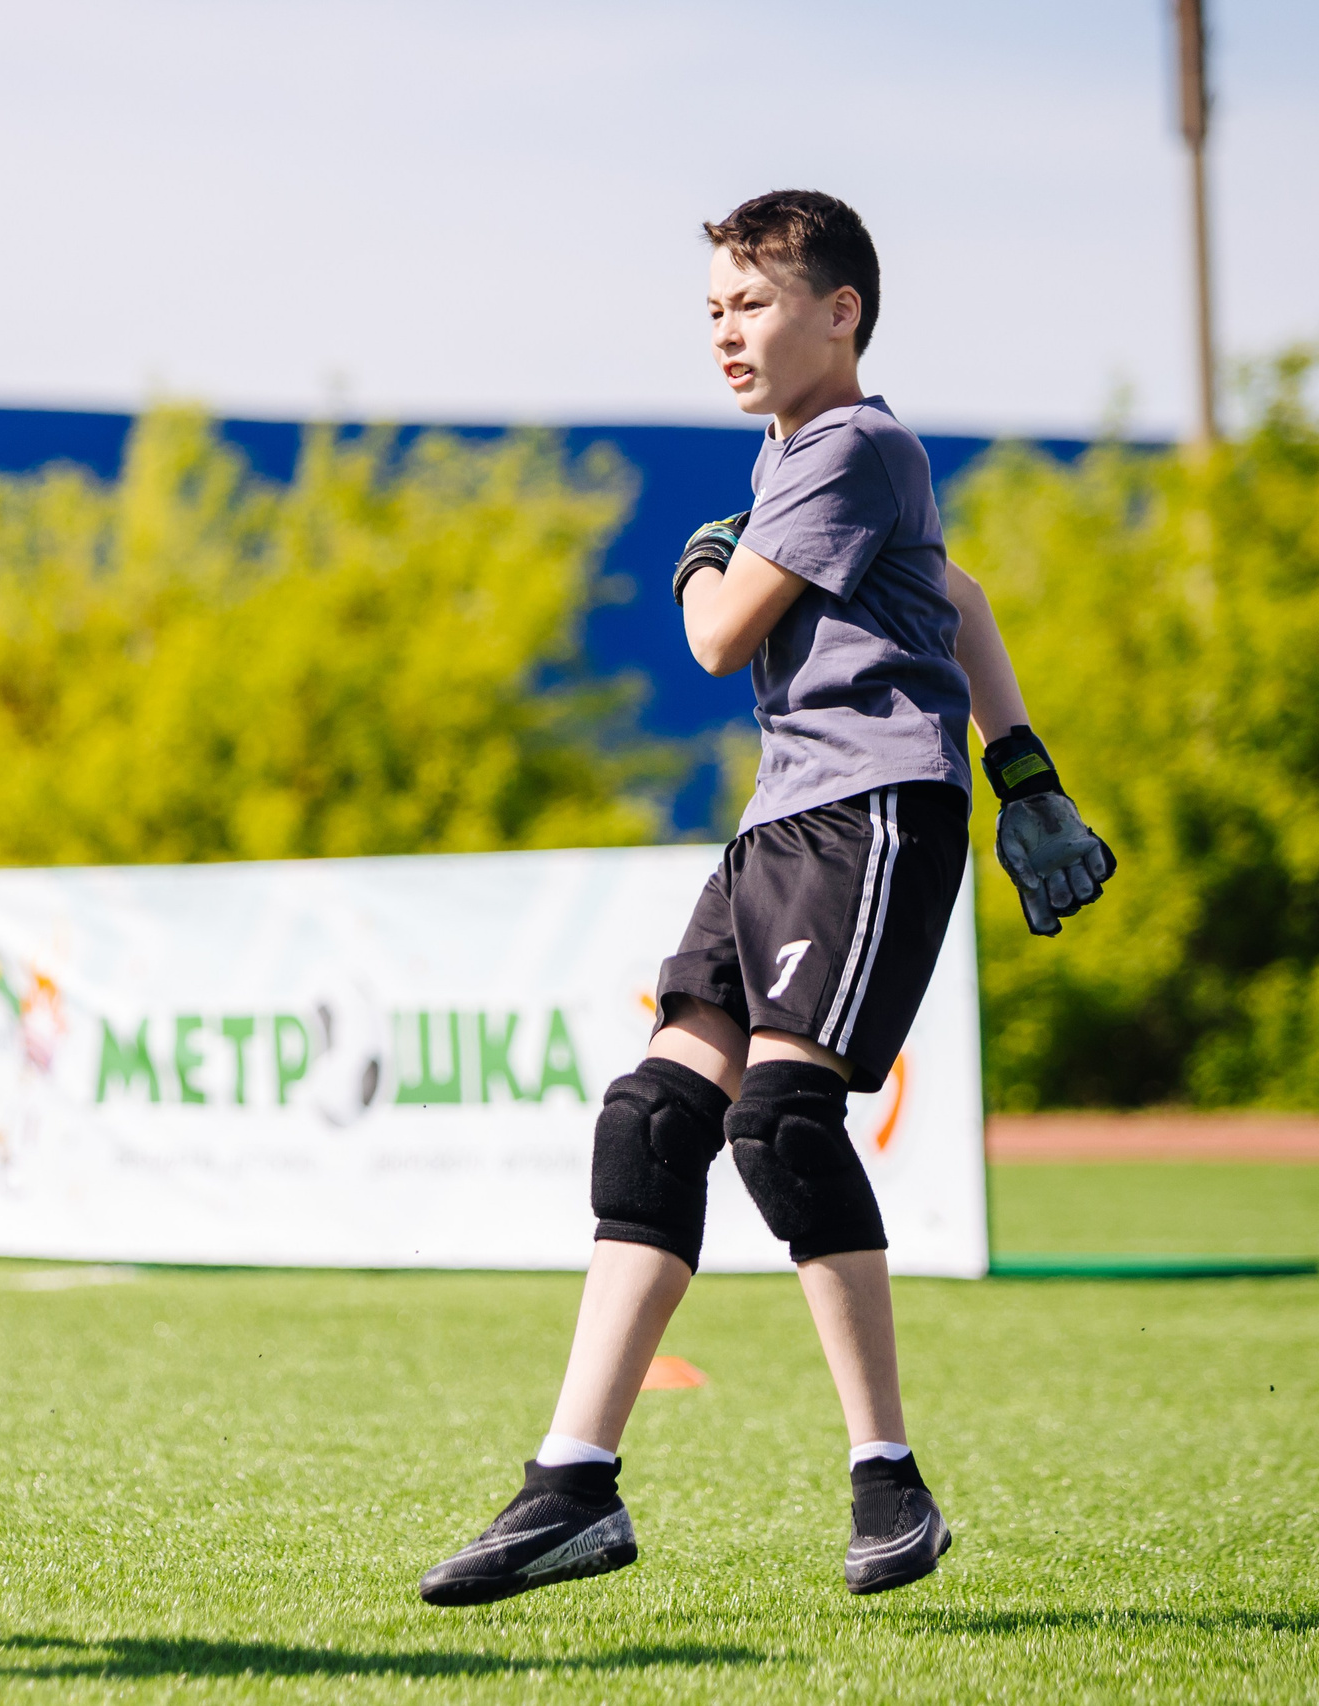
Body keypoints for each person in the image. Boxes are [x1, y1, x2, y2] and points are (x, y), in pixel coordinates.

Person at [419, 190, 1115, 1605]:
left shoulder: (857, 445)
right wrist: (1027, 767)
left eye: (752, 302)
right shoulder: (806, 458)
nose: (725, 331)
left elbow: (714, 633)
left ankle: (887, 1478)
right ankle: (573, 1482)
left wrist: (698, 554)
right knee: (656, 1115)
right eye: (714, 309)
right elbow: (960, 594)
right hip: (782, 824)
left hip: (870, 816)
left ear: (840, 311)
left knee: (781, 1125)